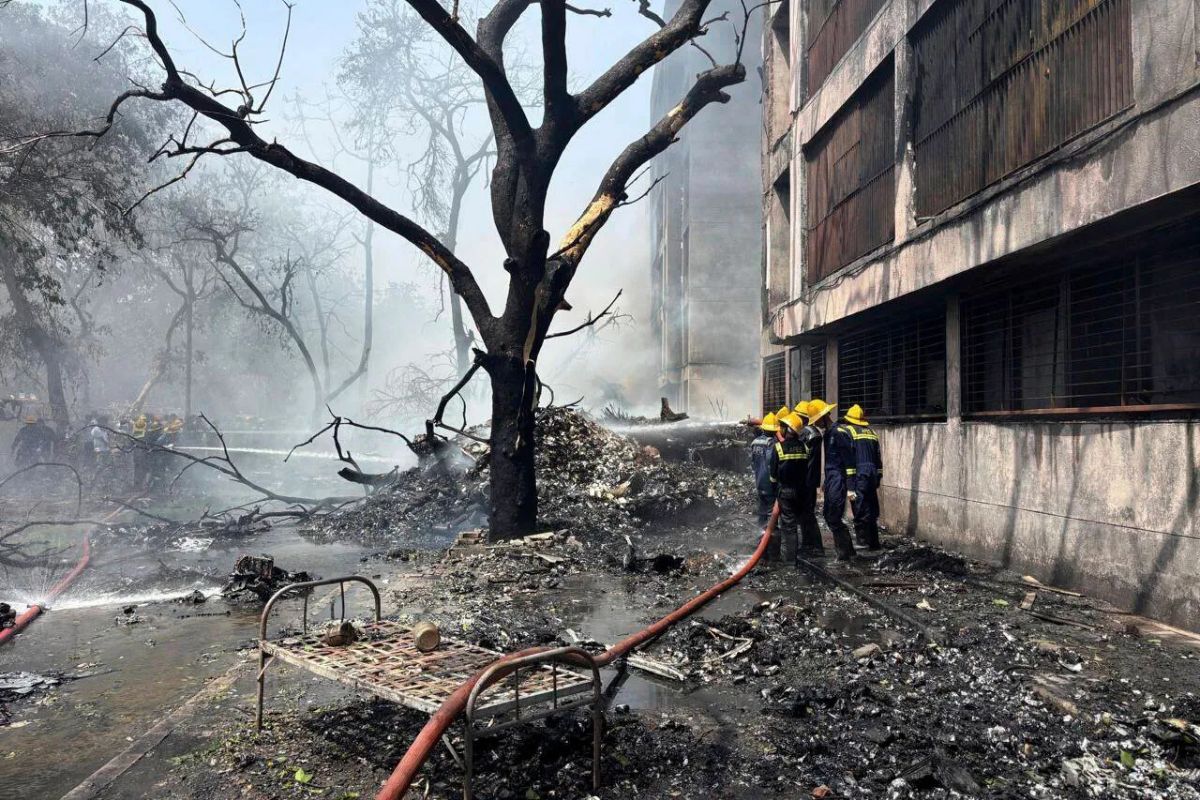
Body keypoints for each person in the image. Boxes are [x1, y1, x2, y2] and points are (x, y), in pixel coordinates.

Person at [819, 401, 861, 561]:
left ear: (824, 417)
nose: (815, 423)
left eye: (817, 419)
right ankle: (846, 551)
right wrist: (825, 481)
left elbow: (849, 462)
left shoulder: (839, 433)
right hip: (831, 479)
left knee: (834, 516)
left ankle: (844, 553)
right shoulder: (828, 434)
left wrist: (851, 487)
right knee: (828, 514)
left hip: (839, 480)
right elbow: (830, 460)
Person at [769, 411, 812, 564]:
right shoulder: (805, 448)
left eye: (783, 426)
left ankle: (790, 560)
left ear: (788, 429)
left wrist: (775, 491)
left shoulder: (778, 448)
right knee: (800, 521)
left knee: (789, 526)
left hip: (785, 491)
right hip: (801, 491)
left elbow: (773, 475)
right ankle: (805, 552)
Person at [842, 404, 883, 550]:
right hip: (872, 474)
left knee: (859, 508)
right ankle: (874, 542)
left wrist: (850, 486)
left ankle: (862, 542)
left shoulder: (849, 432)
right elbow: (878, 458)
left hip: (859, 474)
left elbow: (850, 460)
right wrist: (878, 477)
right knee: (871, 508)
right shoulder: (871, 432)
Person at [750, 413, 780, 526]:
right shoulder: (772, 443)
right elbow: (771, 463)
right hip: (769, 482)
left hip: (759, 481)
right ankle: (770, 536)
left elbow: (753, 463)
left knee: (762, 509)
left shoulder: (755, 442)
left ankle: (760, 533)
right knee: (771, 512)